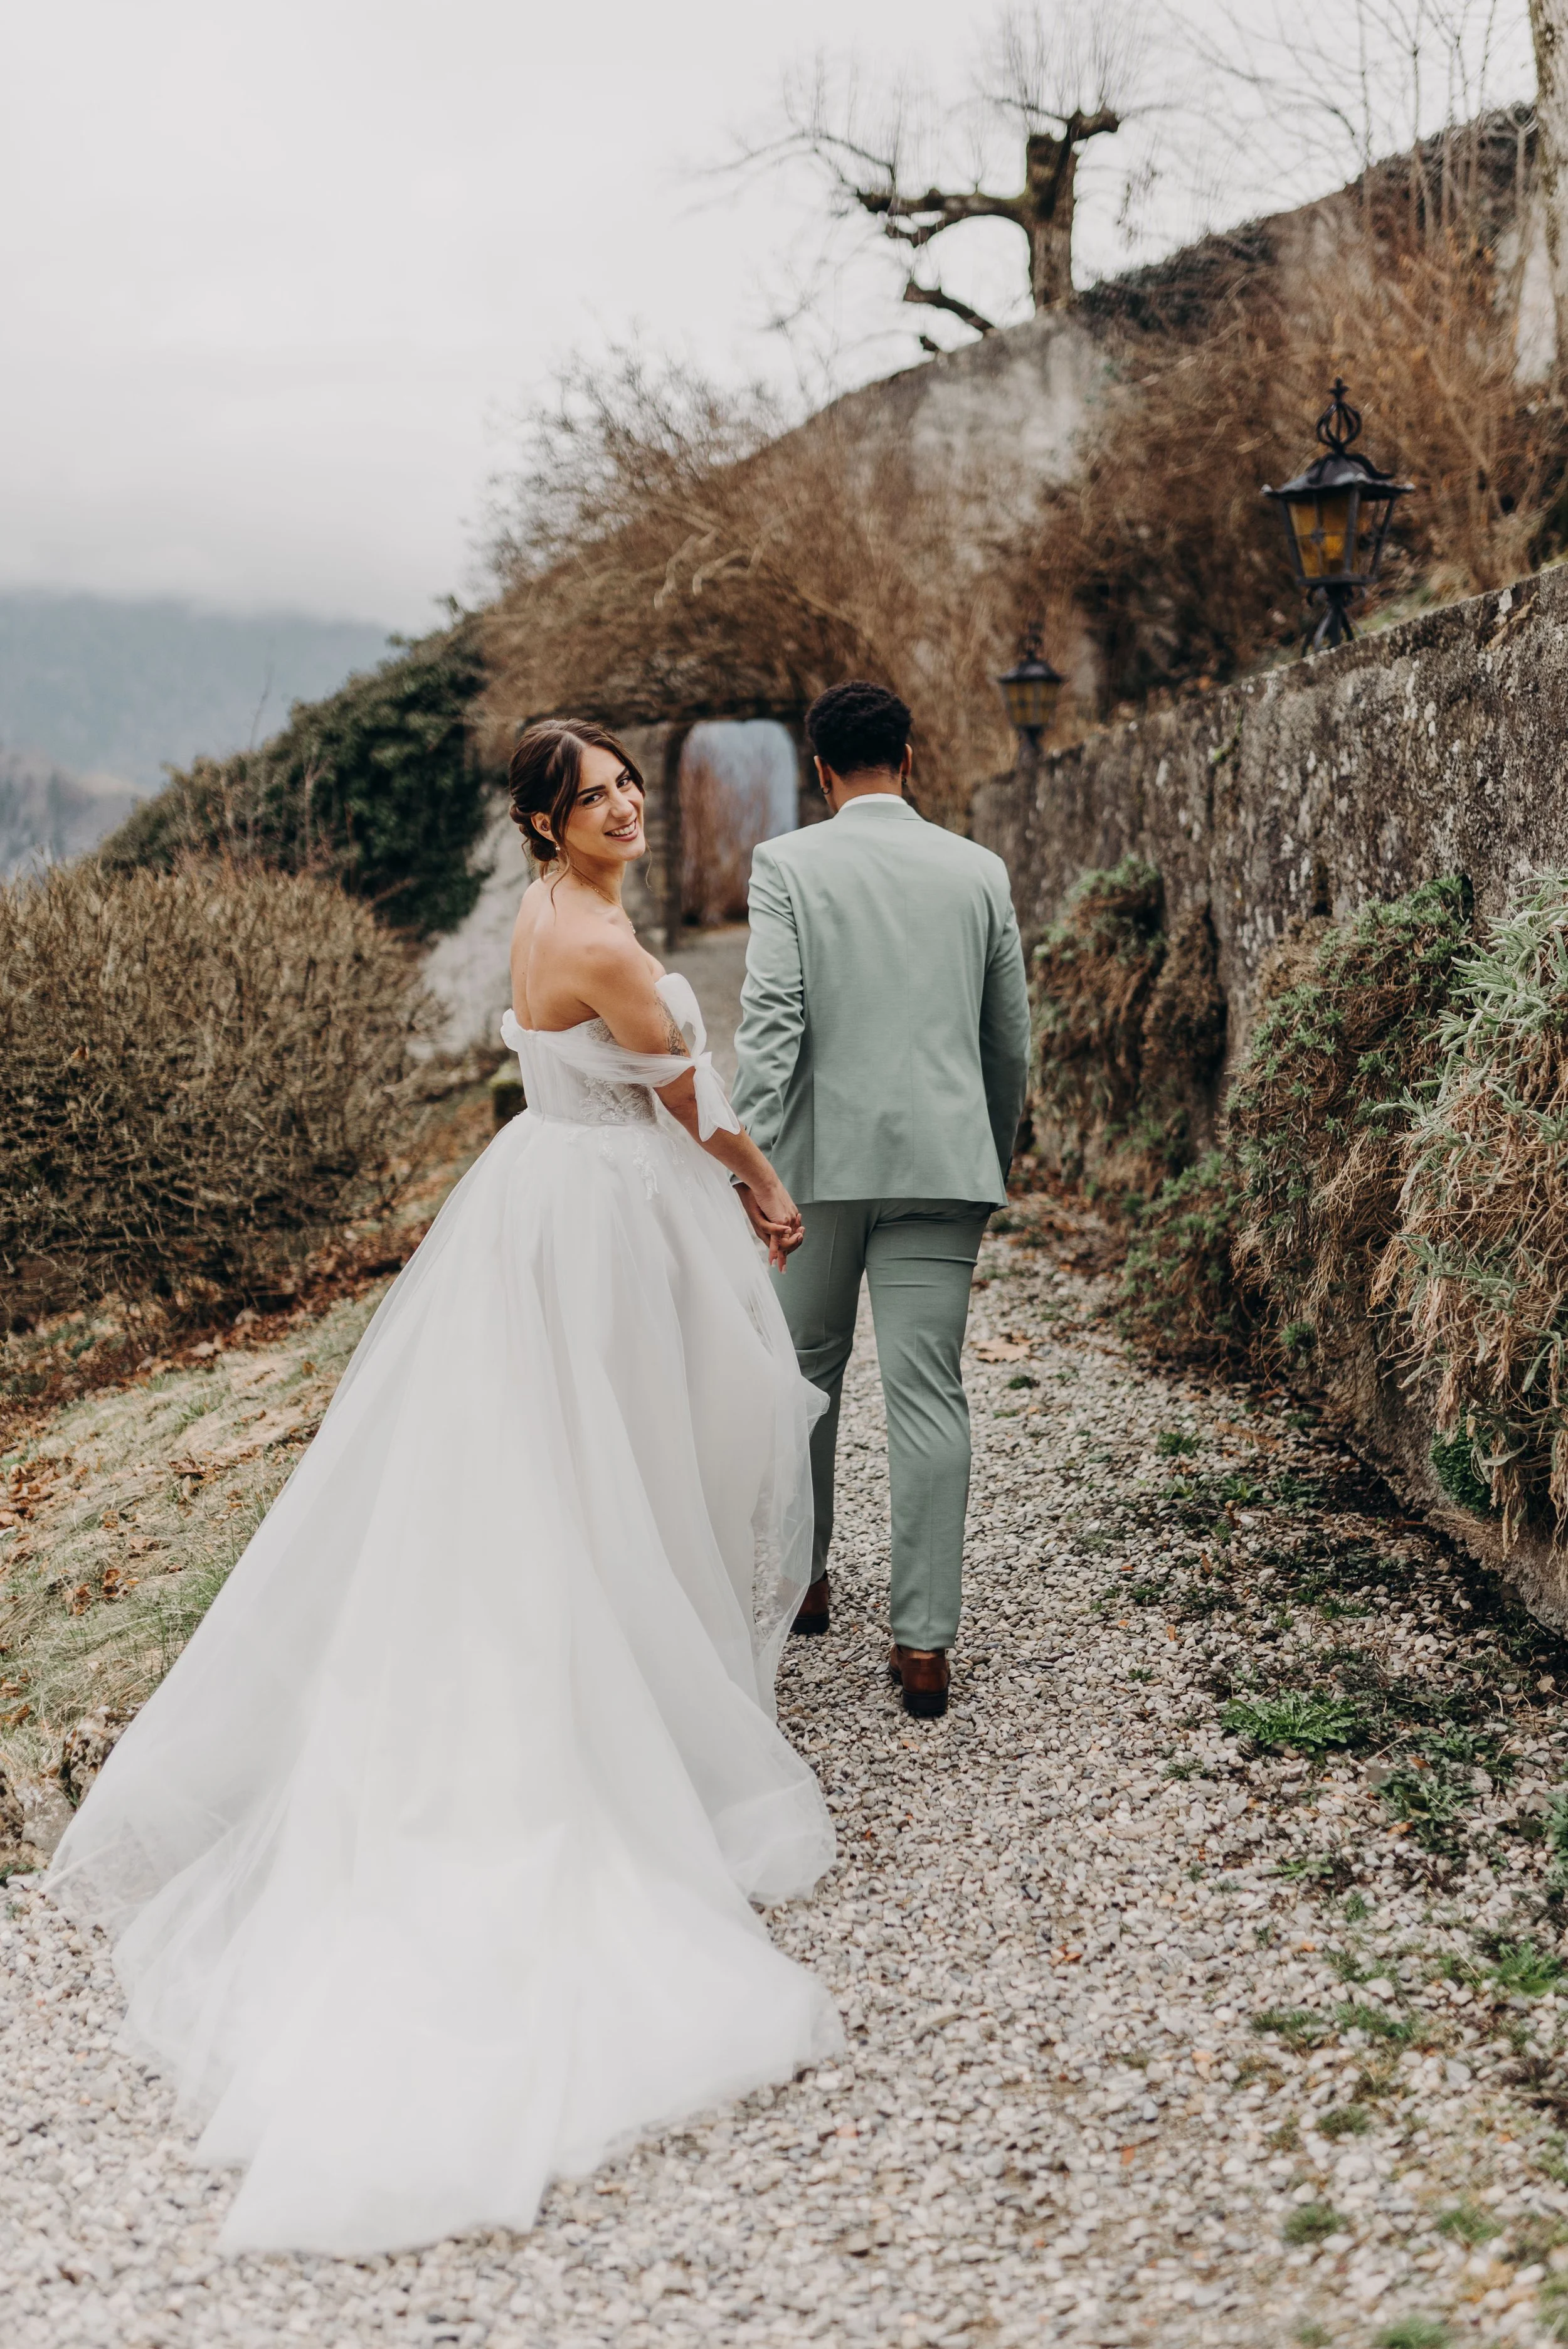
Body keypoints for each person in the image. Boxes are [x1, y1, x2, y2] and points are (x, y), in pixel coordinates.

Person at [48, 719, 842, 2257]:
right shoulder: (600, 942)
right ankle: (631, 1716)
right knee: (625, 1455)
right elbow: (691, 1104)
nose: (623, 808)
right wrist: (760, 1186)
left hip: (544, 1197)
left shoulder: (559, 919)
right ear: (548, 826)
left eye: (628, 787)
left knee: (566, 1462)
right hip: (608, 1209)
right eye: (597, 797)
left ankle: (626, 1670)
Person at [731, 682, 1031, 1721]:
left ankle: (807, 1582)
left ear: (819, 771)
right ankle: (923, 1647)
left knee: (806, 1372)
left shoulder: (788, 866)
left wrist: (747, 1161)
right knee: (927, 1392)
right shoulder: (979, 870)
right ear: (910, 756)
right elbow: (1009, 1041)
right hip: (945, 1167)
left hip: (814, 1172)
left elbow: (771, 1026)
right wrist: (985, 1154)